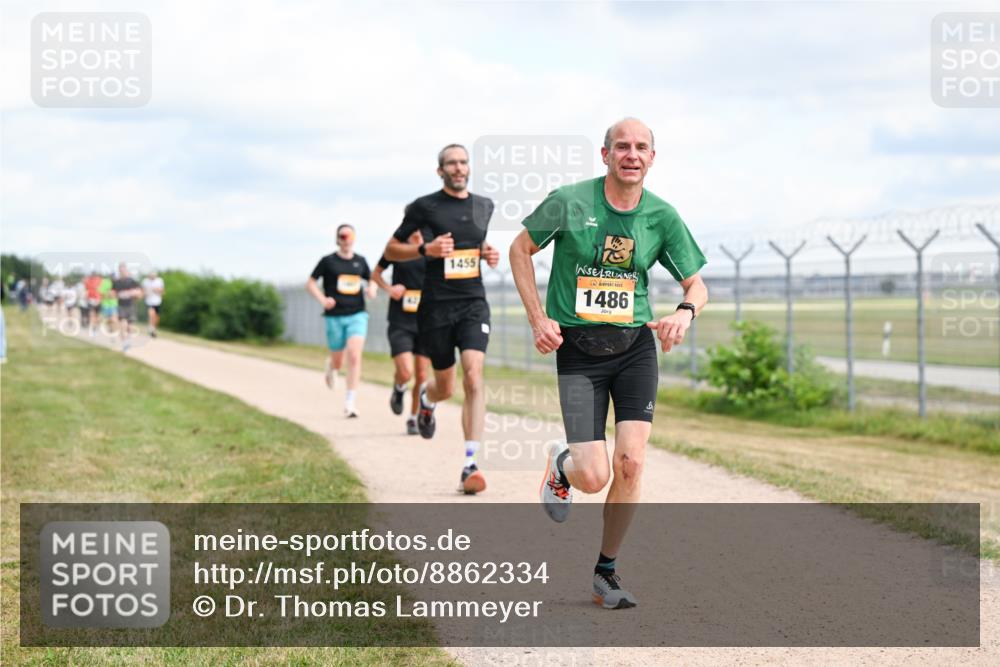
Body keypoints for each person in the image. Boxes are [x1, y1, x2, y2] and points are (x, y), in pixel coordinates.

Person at [509, 118, 708, 609]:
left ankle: (607, 571)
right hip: (578, 350)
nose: (632, 155)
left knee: (632, 462)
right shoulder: (571, 201)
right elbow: (520, 249)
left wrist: (685, 313)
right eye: (622, 146)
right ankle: (564, 464)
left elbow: (697, 285)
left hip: (635, 347)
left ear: (652, 158)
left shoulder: (661, 216)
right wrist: (538, 319)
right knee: (595, 477)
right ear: (605, 155)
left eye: (642, 147)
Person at [384, 143, 500, 494]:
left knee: (474, 376)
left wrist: (486, 252)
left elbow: (471, 245)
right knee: (445, 386)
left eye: (464, 162)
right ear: (440, 171)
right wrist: (425, 250)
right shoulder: (425, 207)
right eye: (451, 163)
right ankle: (427, 401)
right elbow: (391, 249)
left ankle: (470, 464)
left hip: (473, 303)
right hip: (436, 307)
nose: (459, 167)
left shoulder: (484, 205)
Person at [306, 224, 378, 418]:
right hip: (334, 316)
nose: (346, 239)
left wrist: (371, 289)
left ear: (354, 238)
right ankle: (332, 366)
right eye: (342, 236)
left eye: (349, 235)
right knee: (339, 361)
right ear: (337, 238)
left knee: (354, 355)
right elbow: (310, 283)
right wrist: (323, 300)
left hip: (357, 314)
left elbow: (372, 280)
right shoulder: (328, 261)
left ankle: (350, 402)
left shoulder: (360, 261)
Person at [371, 230, 430, 435]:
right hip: (400, 321)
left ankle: (413, 419)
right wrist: (389, 289)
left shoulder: (432, 245)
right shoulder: (396, 247)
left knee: (422, 375)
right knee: (406, 372)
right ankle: (399, 388)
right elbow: (375, 274)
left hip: (426, 322)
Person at [112, 264, 143, 352]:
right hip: (121, 305)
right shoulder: (116, 282)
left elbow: (140, 293)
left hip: (131, 305)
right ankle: (124, 342)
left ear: (126, 271)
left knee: (130, 326)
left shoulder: (132, 282)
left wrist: (134, 294)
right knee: (123, 323)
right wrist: (113, 295)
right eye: (120, 270)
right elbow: (112, 293)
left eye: (123, 270)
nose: (122, 272)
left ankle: (128, 339)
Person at [142, 270, 165, 337]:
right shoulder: (145, 281)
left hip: (157, 301)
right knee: (151, 314)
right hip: (148, 301)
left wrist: (156, 290)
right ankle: (151, 328)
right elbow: (143, 291)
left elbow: (162, 291)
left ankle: (154, 328)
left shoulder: (160, 281)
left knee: (156, 317)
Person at [84, 271, 102, 336]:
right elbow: (87, 290)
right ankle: (91, 329)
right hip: (91, 299)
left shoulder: (100, 280)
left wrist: (99, 298)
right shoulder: (88, 281)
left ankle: (95, 327)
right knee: (91, 314)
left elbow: (101, 290)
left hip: (98, 299)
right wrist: (86, 297)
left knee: (97, 316)